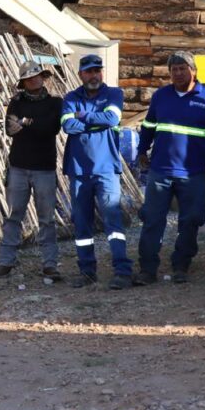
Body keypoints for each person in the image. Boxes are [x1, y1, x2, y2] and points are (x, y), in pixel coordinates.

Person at [134, 52, 205, 286]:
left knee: (191, 220)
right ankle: (148, 269)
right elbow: (148, 126)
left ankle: (181, 265)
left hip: (194, 172)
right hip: (161, 170)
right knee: (152, 220)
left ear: (194, 70)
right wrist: (141, 150)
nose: (178, 73)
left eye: (182, 68)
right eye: (174, 69)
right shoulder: (161, 97)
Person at [61, 54, 132, 289]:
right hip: (78, 170)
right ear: (81, 74)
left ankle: (122, 271)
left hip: (106, 169)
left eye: (97, 71)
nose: (94, 75)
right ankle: (87, 271)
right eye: (89, 71)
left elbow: (112, 119)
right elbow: (67, 125)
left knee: (113, 221)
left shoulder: (114, 94)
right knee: (82, 223)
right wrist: (94, 120)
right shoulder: (71, 97)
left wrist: (85, 116)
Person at [0, 60, 63, 279]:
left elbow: (51, 128)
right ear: (23, 82)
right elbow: (10, 129)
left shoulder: (55, 103)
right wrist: (32, 123)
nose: (34, 80)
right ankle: (6, 261)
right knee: (13, 216)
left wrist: (26, 122)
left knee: (47, 219)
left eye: (37, 76)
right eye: (29, 78)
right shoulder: (16, 103)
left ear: (43, 77)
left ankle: (50, 264)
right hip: (18, 167)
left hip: (44, 168)